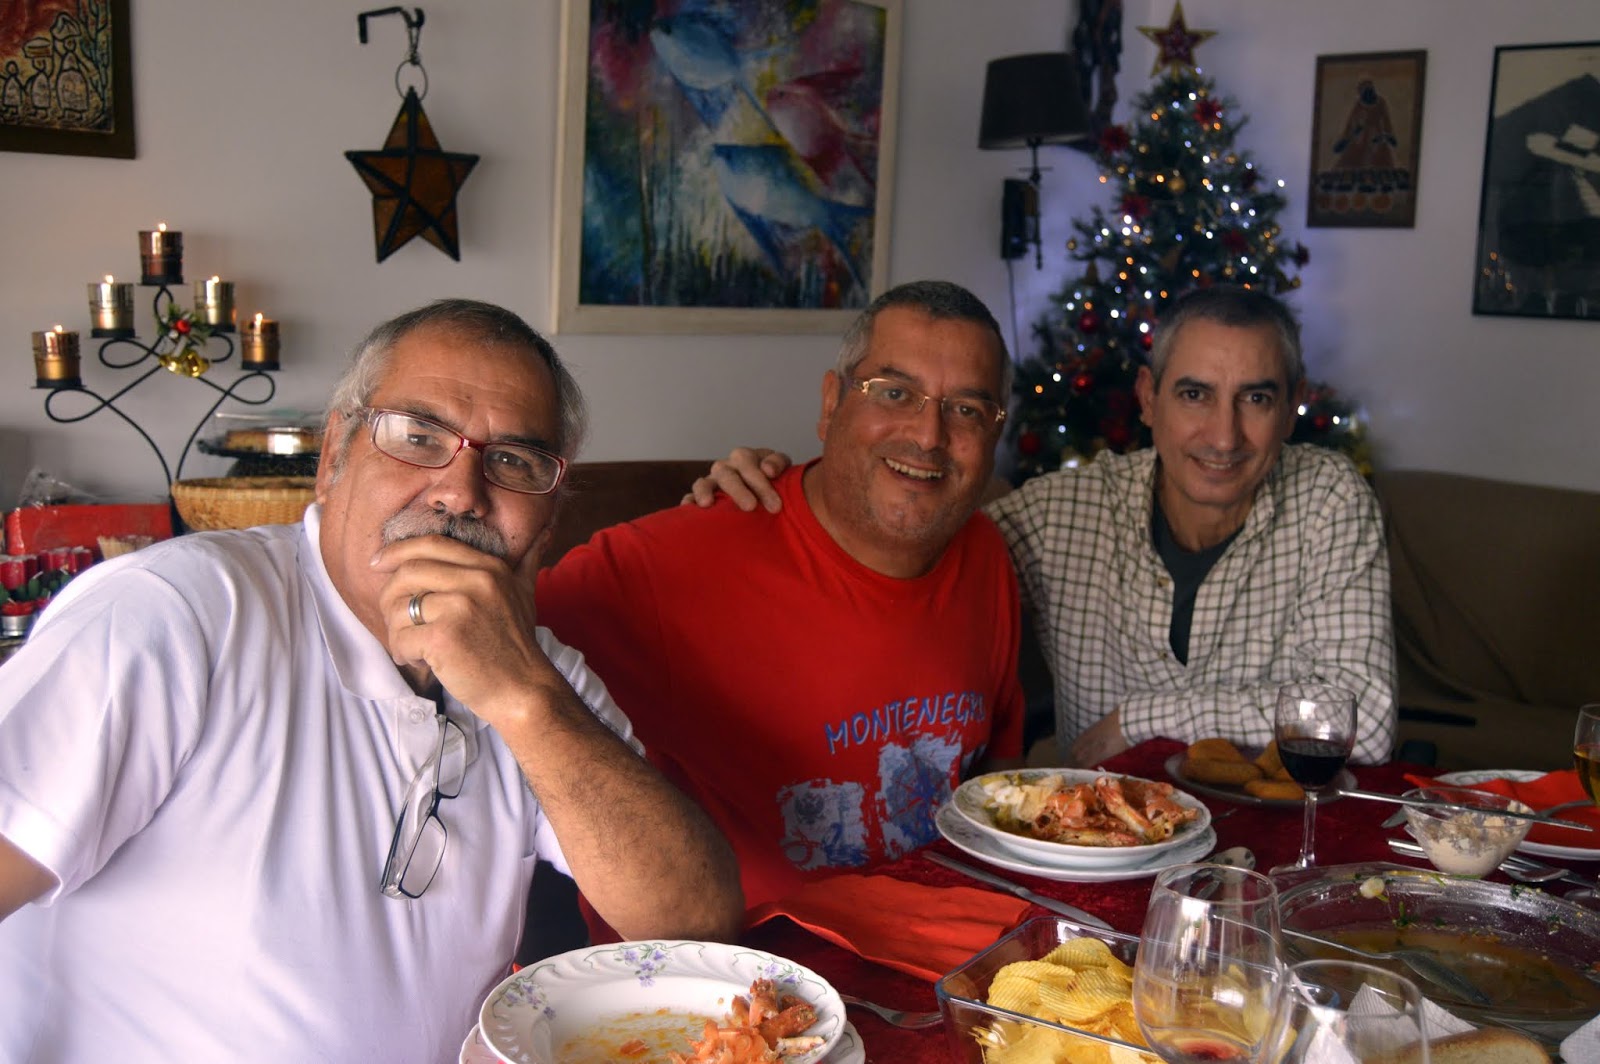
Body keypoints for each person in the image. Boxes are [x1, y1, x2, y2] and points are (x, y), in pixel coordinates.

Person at [0, 299, 742, 1062]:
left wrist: (522, 697)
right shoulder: (178, 612)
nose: (460, 491)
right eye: (418, 437)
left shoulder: (539, 673)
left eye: (514, 462)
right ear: (334, 457)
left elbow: (691, 921)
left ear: (549, 519)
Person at [689, 285, 1397, 768]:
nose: (1223, 434)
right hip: (1100, 853)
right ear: (1148, 399)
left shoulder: (1327, 498)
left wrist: (1140, 720)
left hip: (1282, 854)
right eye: (1194, 394)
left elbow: (1363, 720)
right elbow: (902, 536)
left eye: (1256, 399)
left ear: (1292, 406)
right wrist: (778, 494)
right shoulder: (1060, 515)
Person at [536, 280, 1026, 911]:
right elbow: (481, 639)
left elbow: (999, 787)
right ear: (831, 403)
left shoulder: (985, 552)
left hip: (955, 942)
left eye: (966, 410)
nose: (929, 435)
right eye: (895, 393)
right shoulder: (673, 562)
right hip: (739, 963)